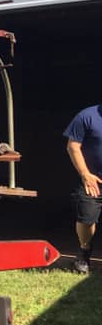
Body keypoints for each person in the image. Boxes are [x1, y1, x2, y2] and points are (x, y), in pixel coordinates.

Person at [64, 104, 102, 274]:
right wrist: (85, 174)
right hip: (92, 180)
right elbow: (73, 146)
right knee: (87, 220)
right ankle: (84, 252)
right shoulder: (87, 116)